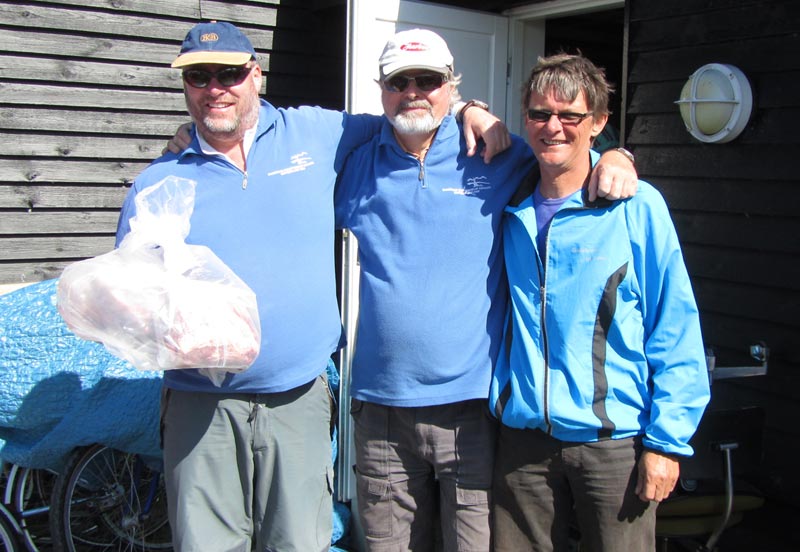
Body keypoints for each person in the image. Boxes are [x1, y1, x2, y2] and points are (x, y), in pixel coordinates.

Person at [115, 21, 507, 552]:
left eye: (229, 73)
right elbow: (133, 297)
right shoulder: (158, 183)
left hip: (297, 398)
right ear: (185, 86)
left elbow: (411, 118)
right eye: (199, 77)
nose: (215, 88)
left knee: (299, 543)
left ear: (255, 76)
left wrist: (471, 109)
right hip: (199, 404)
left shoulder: (317, 134)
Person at [333, 31, 638, 551]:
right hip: (381, 408)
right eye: (398, 81)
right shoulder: (355, 165)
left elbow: (564, 148)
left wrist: (617, 156)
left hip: (472, 409)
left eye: (428, 80)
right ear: (380, 89)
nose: (413, 91)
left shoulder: (497, 154)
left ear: (450, 85)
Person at [489, 53, 711, 552]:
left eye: (570, 116)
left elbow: (674, 326)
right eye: (539, 114)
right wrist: (472, 111)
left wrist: (667, 443)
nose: (553, 128)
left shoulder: (636, 206)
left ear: (599, 124)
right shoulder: (507, 204)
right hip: (523, 443)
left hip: (612, 446)